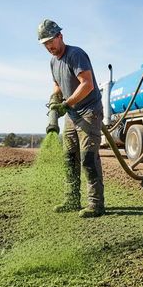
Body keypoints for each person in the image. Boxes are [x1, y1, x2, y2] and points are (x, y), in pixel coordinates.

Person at [38, 19, 105, 218]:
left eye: (51, 41)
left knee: (88, 159)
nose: (49, 46)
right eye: (45, 43)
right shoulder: (53, 61)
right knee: (69, 158)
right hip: (72, 114)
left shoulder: (76, 54)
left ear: (60, 36)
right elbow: (58, 85)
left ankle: (96, 204)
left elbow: (87, 84)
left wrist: (66, 104)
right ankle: (72, 199)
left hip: (89, 111)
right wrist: (54, 100)